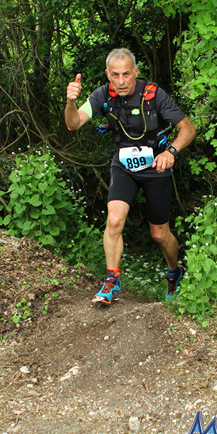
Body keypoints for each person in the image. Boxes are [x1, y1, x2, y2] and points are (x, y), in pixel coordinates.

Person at [65, 48, 196, 304]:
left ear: (135, 71)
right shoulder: (102, 95)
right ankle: (111, 281)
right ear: (108, 75)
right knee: (114, 220)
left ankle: (174, 271)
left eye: (126, 74)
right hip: (124, 165)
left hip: (156, 165)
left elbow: (188, 129)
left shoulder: (154, 95)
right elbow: (73, 123)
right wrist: (71, 102)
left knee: (159, 234)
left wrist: (171, 152)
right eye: (115, 75)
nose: (121, 81)